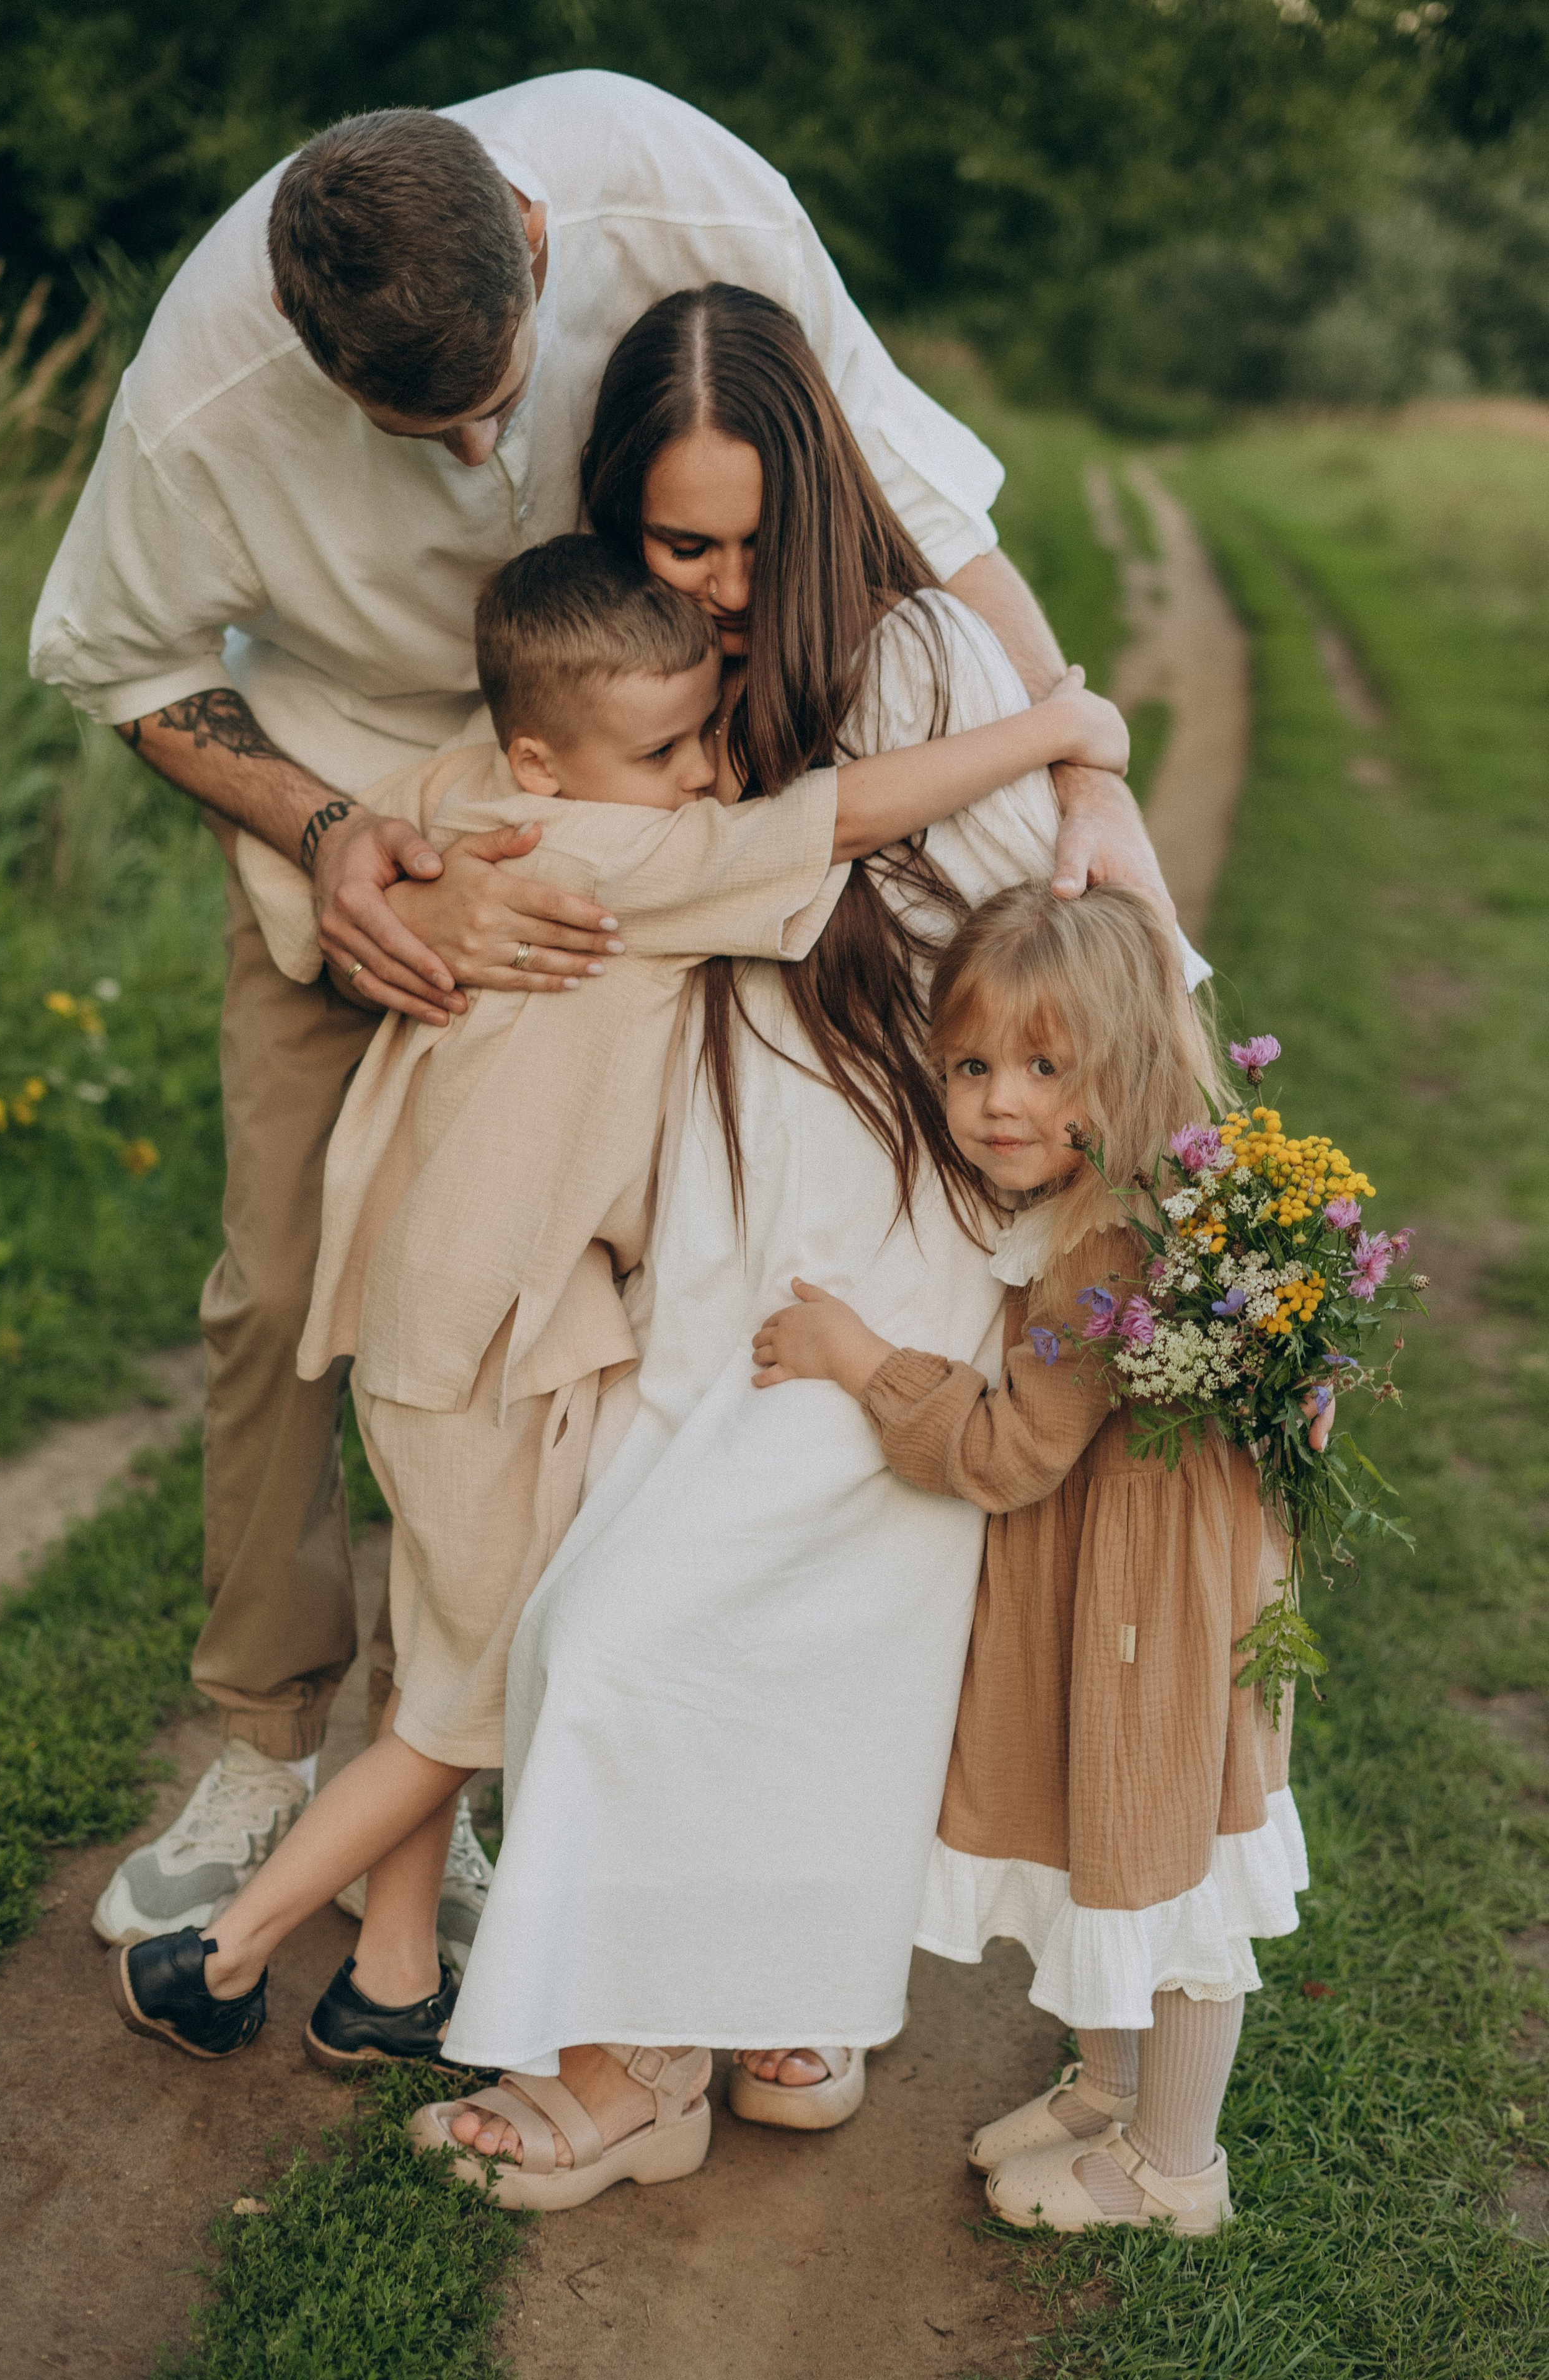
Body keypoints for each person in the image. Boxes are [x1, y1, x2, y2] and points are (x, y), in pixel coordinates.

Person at [31, 76, 1161, 1953]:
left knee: (608, 1306)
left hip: (671, 782)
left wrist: (1082, 775)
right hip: (377, 832)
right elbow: (126, 662)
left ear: (540, 247)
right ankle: (260, 1741)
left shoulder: (686, 193)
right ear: (315, 360)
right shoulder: (200, 402)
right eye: (423, 432)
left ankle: (492, 1744)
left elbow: (914, 487)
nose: (481, 459)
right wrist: (344, 840)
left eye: (497, 404)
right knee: (281, 1289)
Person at [107, 538, 1131, 2077]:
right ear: (547, 757)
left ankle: (388, 1977)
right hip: (475, 1346)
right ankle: (222, 1949)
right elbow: (843, 815)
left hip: (462, 1322)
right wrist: (1063, 732)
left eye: (705, 732)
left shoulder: (463, 805)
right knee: (479, 1699)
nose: (704, 773)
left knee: (457, 1648)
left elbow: (330, 857)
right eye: (663, 750)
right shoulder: (606, 857)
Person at [405, 285, 1201, 2200]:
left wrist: (1208, 1206)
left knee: (791, 1614)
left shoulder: (925, 654)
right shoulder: (623, 661)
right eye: (686, 536)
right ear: (620, 514)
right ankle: (663, 2038)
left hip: (898, 1212)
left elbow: (1090, 940)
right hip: (714, 1188)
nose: (733, 577)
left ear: (828, 497)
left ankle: (725, 2014)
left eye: (763, 536)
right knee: (651, 1592)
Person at [749, 881, 1315, 2236]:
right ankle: (1104, 2090)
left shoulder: (1101, 1249)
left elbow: (1011, 1454)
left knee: (1166, 1861)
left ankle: (1173, 2164)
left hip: (1148, 1606)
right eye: (971, 1066)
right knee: (1111, 1834)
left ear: (1118, 1067)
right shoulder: (1156, 1193)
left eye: (1045, 1068)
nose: (999, 1101)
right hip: (1143, 1581)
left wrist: (865, 1364)